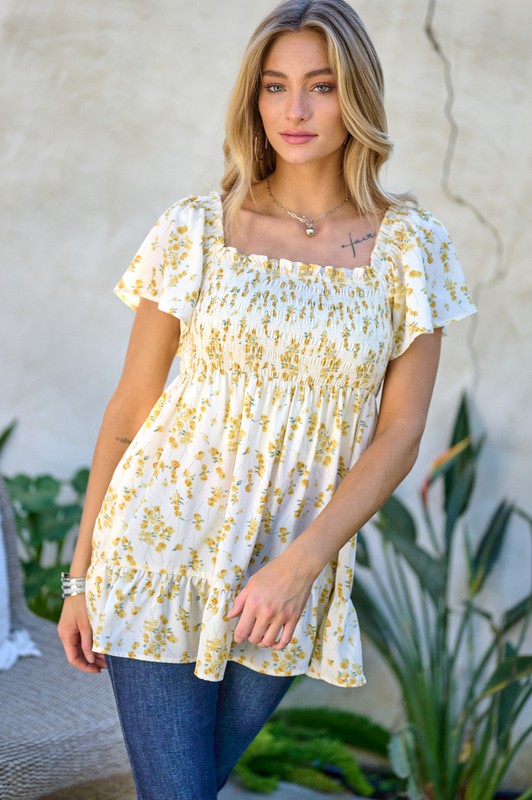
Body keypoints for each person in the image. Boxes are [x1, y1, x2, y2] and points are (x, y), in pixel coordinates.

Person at [58, 0, 477, 797]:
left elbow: (399, 435)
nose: (295, 110)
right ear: (252, 98)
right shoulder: (196, 230)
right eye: (275, 86)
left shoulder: (411, 248)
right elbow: (129, 410)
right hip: (159, 549)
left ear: (355, 97)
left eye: (320, 86)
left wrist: (299, 566)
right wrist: (82, 577)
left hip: (290, 572)